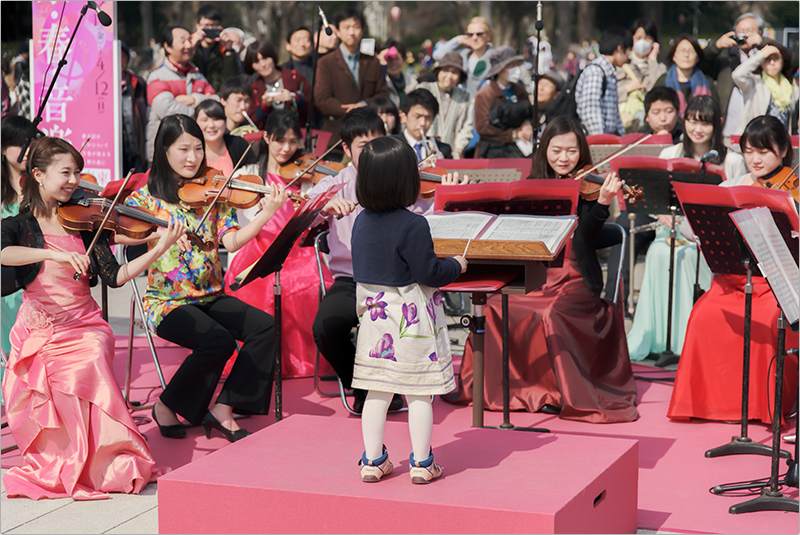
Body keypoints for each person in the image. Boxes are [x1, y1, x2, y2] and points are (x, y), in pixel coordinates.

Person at [1, 136, 184, 500]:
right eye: (65, 172)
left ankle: (105, 462)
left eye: (78, 172)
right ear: (37, 174)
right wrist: (54, 256)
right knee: (68, 367)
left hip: (84, 323)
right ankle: (67, 459)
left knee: (92, 353)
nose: (74, 180)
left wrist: (158, 248)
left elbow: (115, 276)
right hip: (42, 327)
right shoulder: (22, 224)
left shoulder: (84, 222)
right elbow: (5, 253)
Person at [449, 116, 639, 423]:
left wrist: (603, 203)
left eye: (572, 151)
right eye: (556, 150)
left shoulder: (591, 186)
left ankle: (553, 391)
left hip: (574, 277)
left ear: (582, 153)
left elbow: (587, 237)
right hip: (537, 273)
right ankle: (508, 391)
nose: (564, 158)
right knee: (495, 306)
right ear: (543, 151)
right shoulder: (530, 186)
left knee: (551, 312)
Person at [125, 114, 288, 442]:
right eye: (183, 149)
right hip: (167, 302)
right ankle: (166, 406)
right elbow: (117, 235)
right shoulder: (144, 199)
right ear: (164, 150)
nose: (193, 158)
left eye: (198, 149)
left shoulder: (213, 189)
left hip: (211, 296)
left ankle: (224, 408)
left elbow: (231, 240)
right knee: (219, 341)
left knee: (264, 326)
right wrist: (159, 231)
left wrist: (267, 213)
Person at [309, 107, 465, 414]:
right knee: (325, 327)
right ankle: (366, 386)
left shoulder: (401, 180)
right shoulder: (333, 184)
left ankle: (392, 386)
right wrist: (323, 207)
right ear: (345, 149)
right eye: (363, 148)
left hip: (401, 281)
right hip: (352, 280)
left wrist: (450, 197)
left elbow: (425, 223)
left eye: (379, 143)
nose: (375, 154)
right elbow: (301, 215)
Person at [668, 115, 799, 424]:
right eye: (749, 151)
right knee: (703, 314)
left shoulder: (793, 190)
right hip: (733, 279)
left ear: (783, 151)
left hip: (777, 283)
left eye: (763, 152)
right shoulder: (733, 185)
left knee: (768, 319)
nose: (755, 159)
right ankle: (706, 403)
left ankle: (762, 406)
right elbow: (689, 227)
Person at [350, 136, 466, 483]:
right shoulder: (414, 224)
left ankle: (373, 460)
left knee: (377, 390)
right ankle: (422, 462)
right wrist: (457, 265)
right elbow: (429, 273)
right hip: (409, 317)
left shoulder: (360, 220)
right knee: (419, 393)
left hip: (374, 317)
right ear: (406, 181)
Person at [626, 95, 747, 362]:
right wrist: (662, 214)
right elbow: (652, 195)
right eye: (692, 121)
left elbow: (735, 204)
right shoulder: (669, 153)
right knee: (658, 254)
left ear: (717, 124)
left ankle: (687, 341)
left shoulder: (733, 160)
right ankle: (659, 339)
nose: (697, 129)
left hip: (707, 236)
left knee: (691, 257)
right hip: (670, 230)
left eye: (704, 123)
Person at [223, 110, 334, 378]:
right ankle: (264, 360)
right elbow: (242, 221)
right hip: (258, 249)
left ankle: (308, 360)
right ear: (267, 138)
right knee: (263, 287)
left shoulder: (304, 176)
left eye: (293, 142)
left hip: (295, 250)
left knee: (312, 281)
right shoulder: (249, 174)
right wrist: (262, 210)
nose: (286, 149)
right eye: (279, 140)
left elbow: (311, 219)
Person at [314, 8, 389, 151]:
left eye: (356, 27)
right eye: (346, 27)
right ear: (338, 31)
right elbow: (322, 99)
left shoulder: (372, 61)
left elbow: (382, 94)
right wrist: (348, 111)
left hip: (369, 135)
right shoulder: (326, 62)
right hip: (335, 137)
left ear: (362, 30)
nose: (351, 32)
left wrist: (363, 104)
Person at [145, 24, 217, 161]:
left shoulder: (198, 76)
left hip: (194, 156)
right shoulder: (158, 77)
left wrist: (193, 99)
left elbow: (215, 104)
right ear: (167, 47)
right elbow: (168, 111)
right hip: (164, 156)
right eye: (182, 41)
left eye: (189, 40)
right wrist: (201, 114)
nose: (189, 46)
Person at [1, 116, 35, 358]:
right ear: (3, 149)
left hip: (39, 279)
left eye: (32, 142)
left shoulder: (40, 186)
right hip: (7, 282)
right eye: (20, 143)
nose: (28, 149)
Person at [702, 13, 765, 130]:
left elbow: (792, 60)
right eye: (741, 31)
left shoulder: (768, 55)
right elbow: (701, 64)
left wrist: (764, 43)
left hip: (760, 129)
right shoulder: (726, 57)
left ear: (760, 33)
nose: (745, 34)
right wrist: (716, 46)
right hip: (728, 129)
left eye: (750, 30)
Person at [731, 40, 798, 136]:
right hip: (755, 139)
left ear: (783, 60)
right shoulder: (754, 83)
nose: (772, 62)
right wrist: (761, 55)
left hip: (779, 142)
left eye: (776, 58)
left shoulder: (791, 89)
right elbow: (737, 75)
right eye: (767, 59)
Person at [474, 46, 531, 158]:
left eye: (517, 64)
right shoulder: (485, 93)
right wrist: (513, 134)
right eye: (511, 65)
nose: (516, 69)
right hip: (493, 151)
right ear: (500, 69)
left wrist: (528, 124)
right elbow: (482, 127)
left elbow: (530, 113)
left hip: (522, 149)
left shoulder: (520, 90)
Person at [416, 51, 474, 159]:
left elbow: (467, 126)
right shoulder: (424, 89)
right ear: (438, 72)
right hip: (426, 152)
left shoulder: (464, 96)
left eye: (454, 72)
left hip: (452, 154)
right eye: (446, 70)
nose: (449, 76)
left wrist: (458, 149)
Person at [576, 26, 632, 136]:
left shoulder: (610, 73)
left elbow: (614, 115)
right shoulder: (596, 72)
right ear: (620, 49)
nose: (629, 56)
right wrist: (600, 141)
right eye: (629, 50)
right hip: (597, 143)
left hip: (608, 141)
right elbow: (590, 112)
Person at [244, 40, 311, 129]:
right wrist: (264, 107)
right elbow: (251, 124)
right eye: (256, 62)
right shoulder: (253, 89)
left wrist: (294, 97)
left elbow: (313, 109)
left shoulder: (295, 77)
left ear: (272, 57)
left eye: (265, 58)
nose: (263, 65)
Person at [617, 18, 667, 133]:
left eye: (647, 38)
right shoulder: (620, 65)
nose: (642, 42)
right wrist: (627, 88)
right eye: (638, 38)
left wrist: (653, 61)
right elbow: (608, 95)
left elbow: (658, 91)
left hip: (649, 127)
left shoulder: (660, 68)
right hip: (623, 125)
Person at [653, 35, 718, 117]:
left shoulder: (708, 82)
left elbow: (715, 112)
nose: (686, 55)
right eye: (682, 51)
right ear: (674, 56)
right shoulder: (662, 82)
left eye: (691, 51)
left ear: (697, 57)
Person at [432, 17, 495, 99]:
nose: (474, 38)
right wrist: (457, 40)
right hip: (462, 104)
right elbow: (437, 55)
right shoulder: (462, 56)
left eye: (479, 34)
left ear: (488, 36)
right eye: (470, 34)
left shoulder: (496, 57)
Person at [193, 99, 255, 176]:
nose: (211, 125)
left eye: (216, 119)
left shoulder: (238, 145)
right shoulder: (191, 150)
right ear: (195, 123)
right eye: (204, 120)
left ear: (225, 121)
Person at [190, 5, 241, 93]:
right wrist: (192, 47)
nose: (210, 29)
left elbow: (232, 80)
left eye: (214, 25)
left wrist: (228, 50)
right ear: (197, 26)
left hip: (217, 99)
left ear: (221, 26)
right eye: (206, 25)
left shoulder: (224, 50)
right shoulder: (190, 47)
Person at [397, 88, 452, 161]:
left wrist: (442, 166)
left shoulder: (444, 149)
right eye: (417, 116)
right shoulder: (392, 146)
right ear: (404, 117)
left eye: (428, 117)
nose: (423, 123)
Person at [120, 42, 148, 173]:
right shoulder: (100, 84)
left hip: (135, 145)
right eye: (115, 56)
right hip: (112, 149)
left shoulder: (137, 82)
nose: (119, 60)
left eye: (123, 56)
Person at [378, 39, 416, 107]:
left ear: (403, 59)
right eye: (389, 59)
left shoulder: (412, 83)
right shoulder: (381, 82)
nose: (393, 63)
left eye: (396, 58)